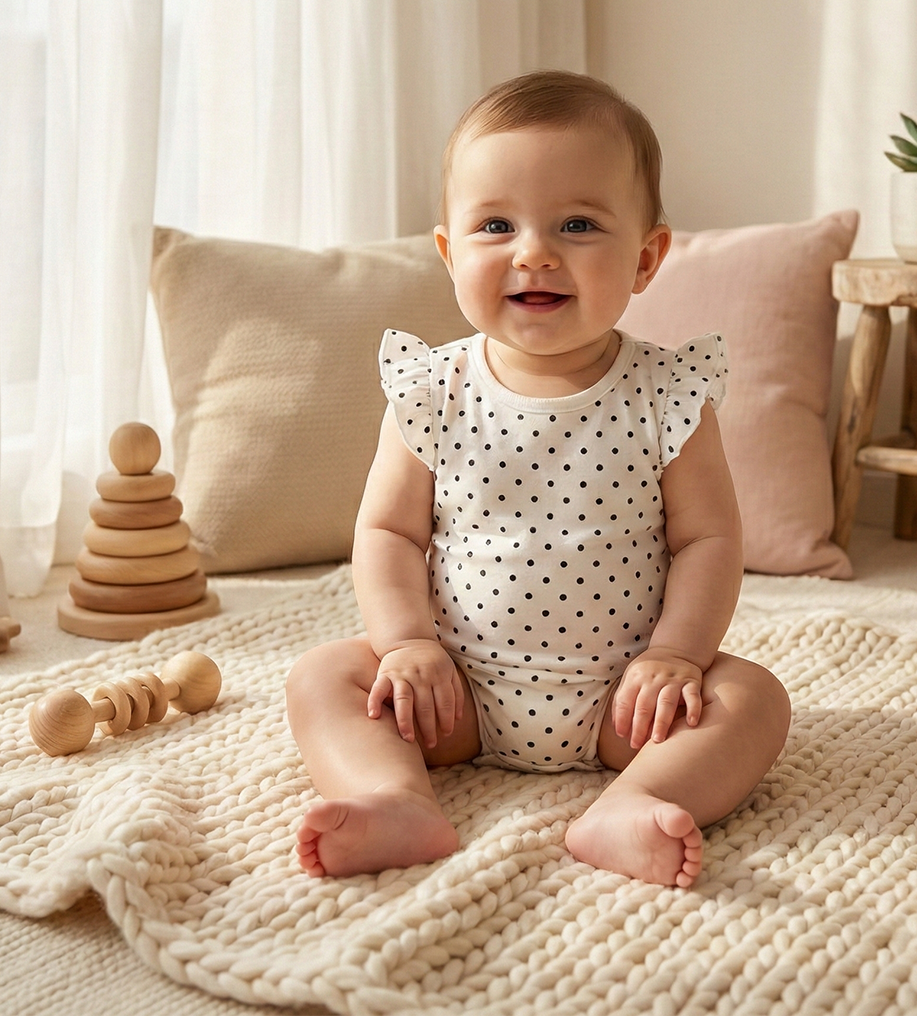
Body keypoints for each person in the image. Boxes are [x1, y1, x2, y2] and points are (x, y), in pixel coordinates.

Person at [286, 70, 791, 888]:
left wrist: (676, 658)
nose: (534, 251)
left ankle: (636, 802)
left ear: (646, 257)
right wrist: (407, 644)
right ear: (450, 253)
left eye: (579, 223)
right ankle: (393, 794)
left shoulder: (669, 395)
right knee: (323, 679)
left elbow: (707, 539)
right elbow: (389, 532)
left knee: (755, 700)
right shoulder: (431, 391)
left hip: (623, 702)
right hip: (454, 692)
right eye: (496, 224)